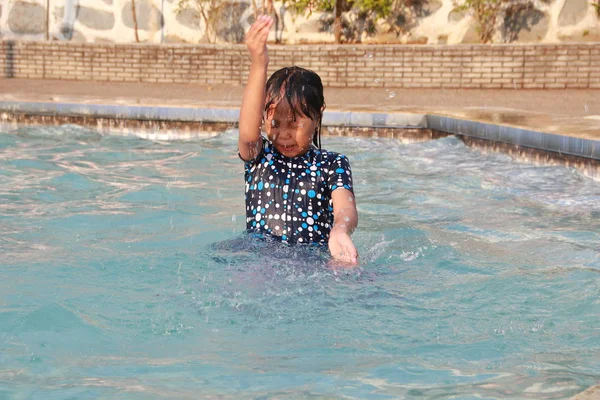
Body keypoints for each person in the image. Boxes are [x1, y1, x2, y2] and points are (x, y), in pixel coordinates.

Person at [238, 15, 358, 265]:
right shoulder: (260, 157)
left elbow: (345, 210)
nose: (283, 134)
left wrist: (340, 230)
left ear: (318, 114)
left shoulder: (333, 164)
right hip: (259, 260)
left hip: (311, 261)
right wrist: (258, 63)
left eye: (294, 124)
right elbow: (248, 133)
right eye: (274, 123)